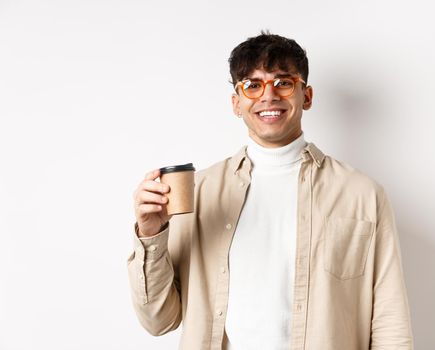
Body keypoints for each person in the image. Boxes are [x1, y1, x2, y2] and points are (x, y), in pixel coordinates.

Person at [128, 32, 413, 350]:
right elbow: (158, 319)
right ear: (236, 103)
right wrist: (152, 233)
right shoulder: (199, 192)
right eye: (253, 85)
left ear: (306, 96)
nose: (269, 96)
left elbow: (391, 324)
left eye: (283, 82)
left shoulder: (362, 195)